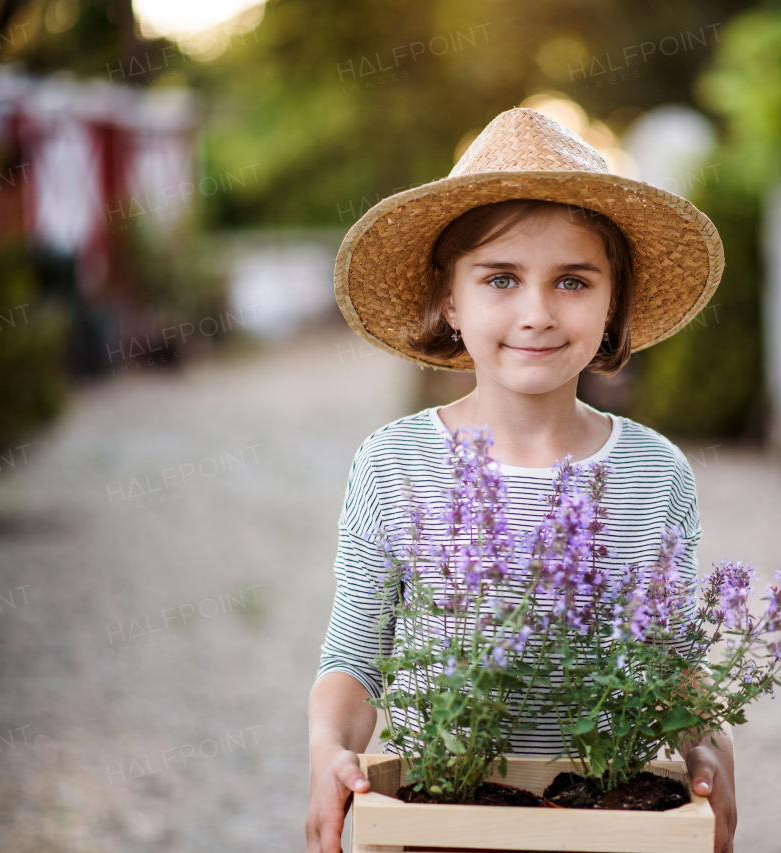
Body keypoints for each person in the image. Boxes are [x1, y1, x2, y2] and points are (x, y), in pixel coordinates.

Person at [305, 107, 733, 853]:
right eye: (501, 278)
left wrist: (706, 747)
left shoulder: (654, 471)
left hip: (612, 820)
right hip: (444, 816)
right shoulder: (393, 462)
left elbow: (671, 661)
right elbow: (354, 659)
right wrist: (326, 749)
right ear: (450, 300)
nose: (536, 312)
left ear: (611, 308)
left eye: (572, 280)